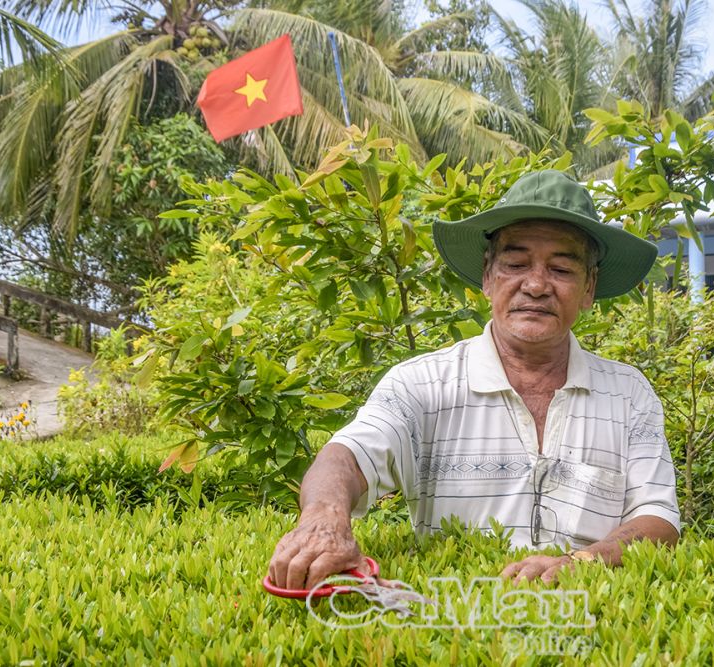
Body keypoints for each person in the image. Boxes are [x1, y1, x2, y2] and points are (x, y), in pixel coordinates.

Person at [267, 169, 680, 587]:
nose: (536, 285)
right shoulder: (421, 383)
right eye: (516, 264)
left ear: (589, 288)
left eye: (562, 269)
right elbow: (346, 457)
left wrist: (582, 561)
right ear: (487, 278)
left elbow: (657, 517)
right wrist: (324, 519)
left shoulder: (628, 393)